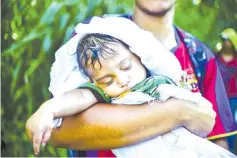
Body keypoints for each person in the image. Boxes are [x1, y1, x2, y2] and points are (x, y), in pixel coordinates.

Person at [26, 0, 236, 157]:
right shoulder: (98, 38)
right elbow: (65, 120)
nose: (120, 80)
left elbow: (213, 132)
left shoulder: (199, 56)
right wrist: (48, 110)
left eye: (126, 66)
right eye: (107, 81)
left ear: (141, 58)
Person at [215, 28, 237, 154]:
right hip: (219, 96)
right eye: (224, 40)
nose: (226, 43)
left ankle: (231, 150)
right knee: (218, 120)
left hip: (234, 97)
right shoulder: (216, 57)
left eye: (229, 40)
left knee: (232, 123)